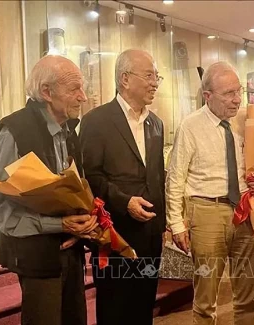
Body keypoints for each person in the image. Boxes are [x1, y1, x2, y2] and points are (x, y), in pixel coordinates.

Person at [0, 55, 98, 325]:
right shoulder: (14, 130)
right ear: (46, 92)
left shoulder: (69, 130)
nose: (83, 97)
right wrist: (57, 224)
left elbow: (76, 186)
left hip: (71, 250)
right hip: (36, 254)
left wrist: (87, 218)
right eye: (74, 89)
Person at [166, 61, 254, 325]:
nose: (236, 99)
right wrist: (175, 223)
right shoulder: (190, 126)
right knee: (206, 298)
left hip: (247, 210)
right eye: (228, 93)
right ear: (207, 96)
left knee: (248, 296)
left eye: (238, 91)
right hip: (206, 212)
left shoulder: (248, 121)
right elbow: (175, 178)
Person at [80, 49, 165, 325]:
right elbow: (89, 177)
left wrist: (162, 225)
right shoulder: (96, 121)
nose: (154, 83)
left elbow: (155, 177)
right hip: (114, 233)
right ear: (125, 79)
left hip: (150, 233)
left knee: (144, 304)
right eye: (149, 75)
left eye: (156, 77)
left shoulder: (156, 123)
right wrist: (124, 202)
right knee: (116, 308)